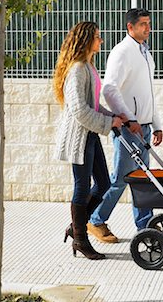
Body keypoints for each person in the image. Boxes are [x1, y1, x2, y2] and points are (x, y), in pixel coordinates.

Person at [88, 8, 163, 242]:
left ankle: (145, 226)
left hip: (143, 127)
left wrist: (156, 125)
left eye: (149, 23)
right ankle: (95, 220)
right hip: (129, 129)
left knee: (143, 178)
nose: (147, 28)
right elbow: (109, 89)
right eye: (142, 24)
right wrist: (129, 119)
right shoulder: (122, 52)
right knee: (120, 179)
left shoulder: (145, 54)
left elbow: (148, 93)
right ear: (130, 27)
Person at [53, 21, 125, 260]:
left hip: (90, 135)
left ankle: (76, 227)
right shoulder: (76, 69)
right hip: (80, 137)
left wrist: (112, 117)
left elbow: (93, 106)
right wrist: (108, 123)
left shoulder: (88, 67)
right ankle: (81, 239)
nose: (101, 40)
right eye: (97, 36)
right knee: (82, 188)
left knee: (103, 183)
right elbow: (79, 111)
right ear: (86, 40)